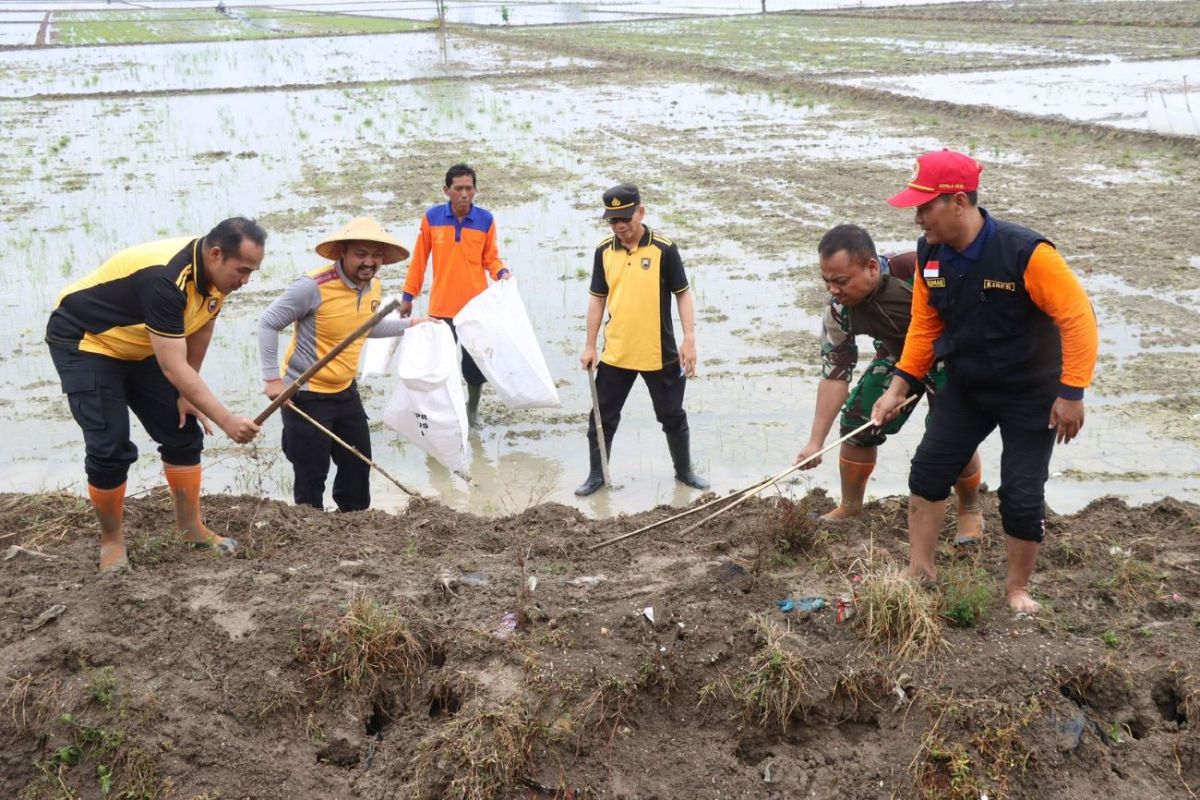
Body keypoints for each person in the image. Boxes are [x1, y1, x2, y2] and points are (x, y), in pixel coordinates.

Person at [872, 149, 1098, 613]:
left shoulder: (1026, 253)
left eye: (924, 206)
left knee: (1020, 492)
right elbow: (925, 325)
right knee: (929, 469)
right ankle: (920, 569)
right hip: (968, 384)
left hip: (1031, 392)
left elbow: (1078, 319)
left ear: (958, 201)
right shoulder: (928, 255)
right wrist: (898, 387)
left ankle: (1017, 589)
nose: (917, 218)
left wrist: (1072, 393)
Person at [46, 217, 265, 572]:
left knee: (182, 429)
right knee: (110, 447)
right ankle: (112, 542)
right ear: (215, 254)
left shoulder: (216, 277)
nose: (245, 281)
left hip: (143, 343)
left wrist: (187, 392)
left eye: (252, 272)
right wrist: (227, 421)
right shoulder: (165, 280)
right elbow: (173, 368)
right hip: (89, 342)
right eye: (242, 271)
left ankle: (190, 528)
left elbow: (203, 325)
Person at [794, 224, 983, 543]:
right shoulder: (839, 312)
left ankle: (970, 510)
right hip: (899, 358)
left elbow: (973, 310)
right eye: (826, 281)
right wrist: (815, 442)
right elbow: (834, 375)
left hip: (950, 356)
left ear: (870, 267)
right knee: (858, 419)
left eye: (841, 281)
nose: (833, 290)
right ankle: (850, 506)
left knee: (949, 433)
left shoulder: (919, 268)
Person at [258, 217, 429, 512]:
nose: (369, 262)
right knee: (312, 474)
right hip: (306, 394)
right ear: (343, 253)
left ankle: (356, 527)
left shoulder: (372, 285)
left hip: (346, 391)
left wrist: (413, 324)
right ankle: (311, 532)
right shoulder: (312, 286)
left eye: (376, 256)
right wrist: (272, 379)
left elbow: (364, 328)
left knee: (357, 465)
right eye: (361, 254)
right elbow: (268, 322)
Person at [576, 183, 708, 496]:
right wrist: (590, 345)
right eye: (613, 220)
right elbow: (597, 299)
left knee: (672, 415)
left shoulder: (664, 249)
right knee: (601, 418)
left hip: (658, 353)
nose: (620, 226)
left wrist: (689, 339)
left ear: (640, 212)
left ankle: (684, 472)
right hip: (616, 353)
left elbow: (683, 294)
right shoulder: (604, 252)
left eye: (625, 218)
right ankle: (597, 475)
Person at [399, 163, 510, 428]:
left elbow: (490, 258)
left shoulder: (485, 220)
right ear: (446, 190)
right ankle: (445, 414)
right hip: (441, 308)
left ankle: (472, 409)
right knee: (440, 367)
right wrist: (408, 295)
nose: (464, 194)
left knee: (474, 367)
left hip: (475, 309)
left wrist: (502, 273)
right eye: (458, 188)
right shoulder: (432, 218)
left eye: (468, 188)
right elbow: (419, 261)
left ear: (475, 190)